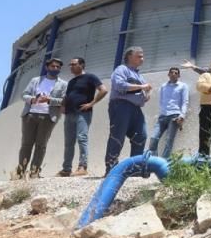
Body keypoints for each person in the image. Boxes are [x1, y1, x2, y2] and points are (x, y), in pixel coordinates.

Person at [16, 58, 68, 179]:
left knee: (41, 145)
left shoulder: (63, 84)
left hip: (48, 117)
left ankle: (34, 172)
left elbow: (64, 101)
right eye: (53, 66)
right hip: (30, 115)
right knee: (26, 144)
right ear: (47, 67)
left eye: (58, 67)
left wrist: (49, 100)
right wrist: (32, 99)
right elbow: (24, 94)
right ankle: (20, 172)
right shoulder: (35, 80)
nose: (55, 69)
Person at [104, 47, 152, 175]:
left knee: (141, 136)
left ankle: (134, 169)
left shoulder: (139, 76)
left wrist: (146, 95)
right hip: (120, 106)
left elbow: (142, 95)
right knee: (117, 136)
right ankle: (111, 169)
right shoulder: (121, 69)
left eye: (142, 56)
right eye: (139, 56)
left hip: (136, 108)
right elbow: (119, 86)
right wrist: (142, 86)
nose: (142, 59)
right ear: (130, 56)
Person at [57, 57, 107, 177]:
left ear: (82, 65)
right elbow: (68, 95)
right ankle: (66, 169)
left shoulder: (90, 77)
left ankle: (82, 167)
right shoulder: (71, 82)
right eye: (70, 65)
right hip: (69, 113)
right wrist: (62, 105)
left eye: (74, 64)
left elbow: (103, 90)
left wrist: (91, 103)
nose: (71, 67)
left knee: (82, 138)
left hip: (83, 113)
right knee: (68, 142)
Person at [147, 67, 189, 158]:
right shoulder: (163, 86)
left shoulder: (183, 86)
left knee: (169, 140)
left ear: (179, 75)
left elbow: (185, 102)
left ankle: (164, 162)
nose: (174, 74)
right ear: (168, 74)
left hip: (174, 116)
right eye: (172, 72)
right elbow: (161, 101)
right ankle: (154, 161)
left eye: (176, 73)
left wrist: (182, 116)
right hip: (163, 116)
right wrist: (161, 112)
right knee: (153, 138)